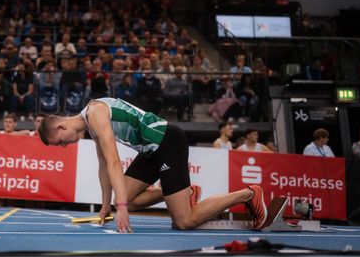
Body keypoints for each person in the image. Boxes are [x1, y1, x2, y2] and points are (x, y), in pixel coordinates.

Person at [38, 97, 268, 233]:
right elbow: (102, 165)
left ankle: (248, 194)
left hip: (167, 142)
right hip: (149, 150)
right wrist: (107, 204)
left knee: (183, 222)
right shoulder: (89, 122)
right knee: (125, 198)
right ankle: (187, 194)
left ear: (61, 128)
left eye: (59, 143)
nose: (63, 147)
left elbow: (114, 162)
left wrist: (122, 208)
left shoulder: (96, 113)